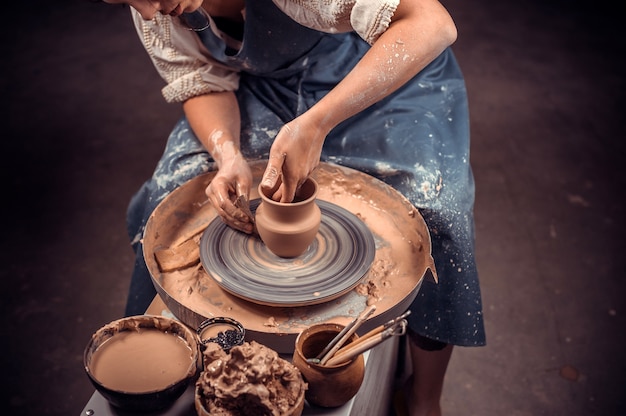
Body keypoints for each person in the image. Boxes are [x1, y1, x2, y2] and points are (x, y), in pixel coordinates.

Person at [102, 0, 486, 414]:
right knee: (169, 195)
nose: (145, 11)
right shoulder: (154, 8)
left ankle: (424, 395)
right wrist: (226, 153)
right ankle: (174, 371)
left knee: (438, 210)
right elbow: (201, 79)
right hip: (268, 86)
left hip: (386, 71)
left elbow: (431, 23)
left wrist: (318, 122)